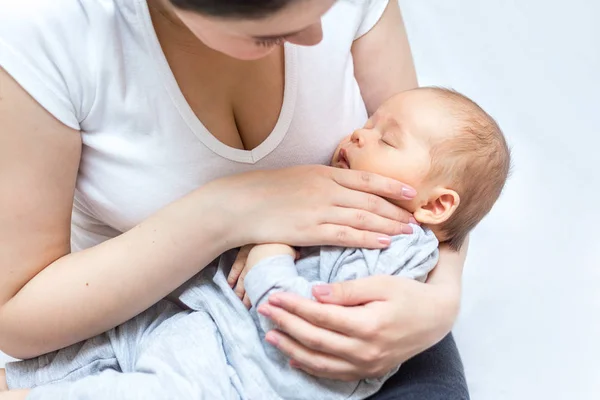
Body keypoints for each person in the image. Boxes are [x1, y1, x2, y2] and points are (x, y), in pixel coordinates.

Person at [0, 0, 470, 399]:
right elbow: (14, 318)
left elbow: (441, 170)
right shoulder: (48, 31)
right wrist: (232, 211)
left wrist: (440, 302)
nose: (317, 35)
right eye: (270, 35)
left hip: (349, 322)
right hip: (152, 327)